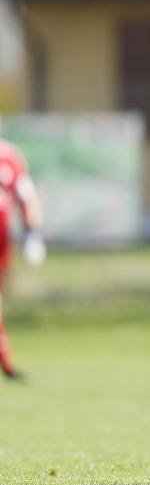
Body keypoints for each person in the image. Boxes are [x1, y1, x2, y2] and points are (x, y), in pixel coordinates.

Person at [0, 114, 46, 381]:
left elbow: (28, 199)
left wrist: (33, 234)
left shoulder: (9, 157)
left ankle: (7, 365)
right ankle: (7, 365)